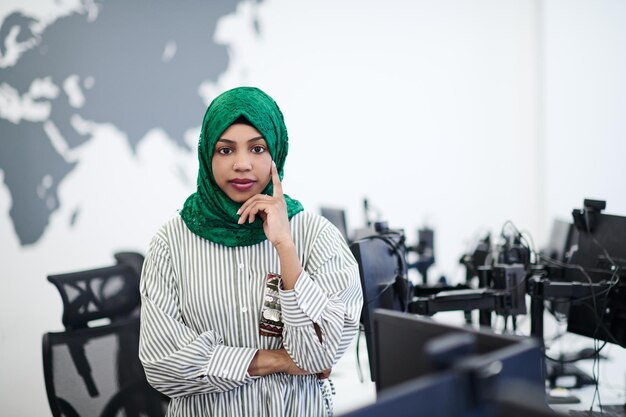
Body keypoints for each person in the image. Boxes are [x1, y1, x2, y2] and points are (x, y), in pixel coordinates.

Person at [139, 86, 363, 417]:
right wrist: (274, 360)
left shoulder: (316, 237)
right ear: (206, 156)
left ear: (277, 153)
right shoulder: (171, 243)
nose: (242, 165)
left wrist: (286, 248)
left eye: (257, 148)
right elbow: (163, 366)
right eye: (225, 150)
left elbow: (318, 357)